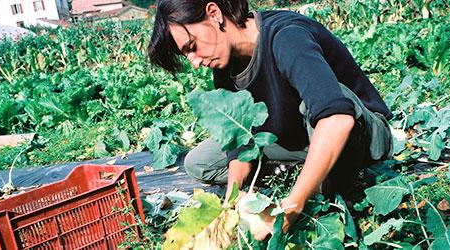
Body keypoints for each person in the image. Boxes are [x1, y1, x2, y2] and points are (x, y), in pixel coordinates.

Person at [148, 0, 393, 240]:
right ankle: (310, 171)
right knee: (200, 162)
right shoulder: (224, 67)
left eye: (192, 46)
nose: (195, 62)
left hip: (361, 133)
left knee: (325, 108)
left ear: (214, 13)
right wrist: (230, 204)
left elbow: (337, 119)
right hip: (296, 135)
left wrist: (291, 209)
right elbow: (238, 144)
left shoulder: (286, 36)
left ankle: (318, 182)